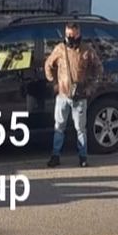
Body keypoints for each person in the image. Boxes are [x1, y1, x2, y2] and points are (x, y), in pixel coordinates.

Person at [44, 22, 103, 168]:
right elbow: (48, 65)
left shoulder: (87, 50)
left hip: (80, 96)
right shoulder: (60, 49)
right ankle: (55, 155)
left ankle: (83, 157)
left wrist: (90, 88)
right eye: (68, 35)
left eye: (73, 35)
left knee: (80, 129)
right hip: (63, 95)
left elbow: (98, 69)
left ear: (79, 34)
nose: (70, 38)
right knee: (59, 127)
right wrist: (55, 84)